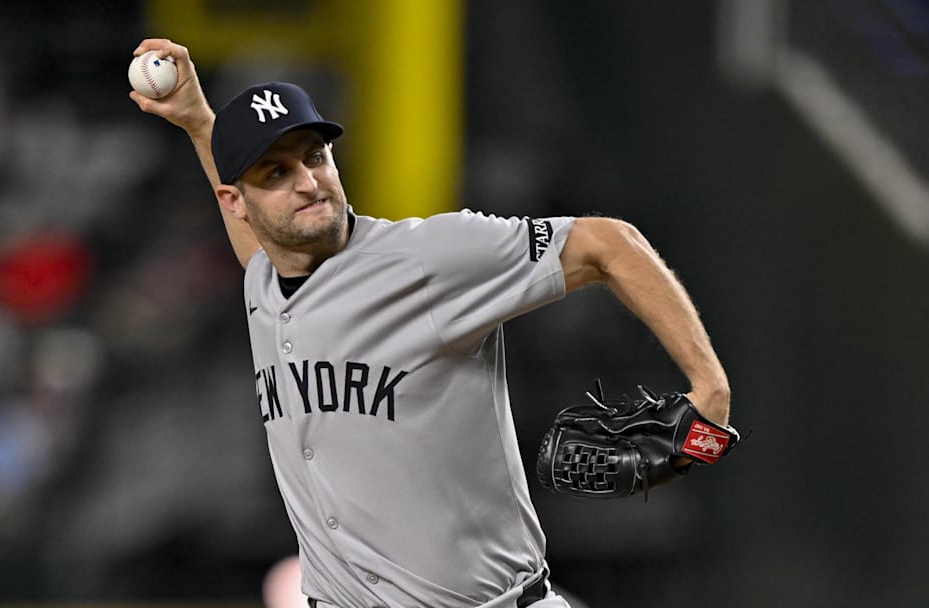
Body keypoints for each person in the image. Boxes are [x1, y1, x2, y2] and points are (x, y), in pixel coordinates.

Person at [129, 39, 732, 608]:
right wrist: (200, 123)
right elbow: (260, 242)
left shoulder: (429, 257)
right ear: (237, 199)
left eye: (313, 157)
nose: (308, 183)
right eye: (275, 174)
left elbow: (611, 243)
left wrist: (710, 391)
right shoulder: (263, 281)